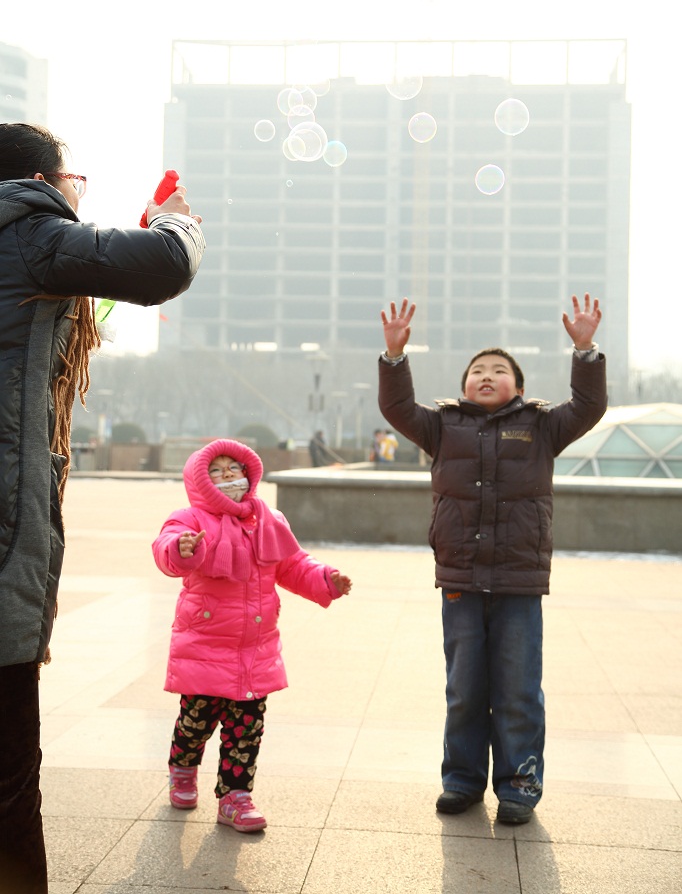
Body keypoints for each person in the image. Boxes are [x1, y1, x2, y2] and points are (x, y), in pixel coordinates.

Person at [0, 122, 205, 894]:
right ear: (42, 180)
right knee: (11, 782)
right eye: (73, 178)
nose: (76, 193)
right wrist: (176, 219)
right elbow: (164, 267)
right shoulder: (33, 231)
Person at [378, 294, 607, 826]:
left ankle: (519, 786)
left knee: (519, 690)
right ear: (463, 386)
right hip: (459, 579)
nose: (486, 376)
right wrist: (394, 358)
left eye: (498, 371)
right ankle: (461, 781)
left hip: (519, 583)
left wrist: (586, 350)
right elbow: (397, 409)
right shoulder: (441, 426)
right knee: (464, 690)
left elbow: (590, 408)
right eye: (477, 370)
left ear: (519, 387)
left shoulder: (543, 427)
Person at [152, 438, 352, 832]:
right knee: (195, 724)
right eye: (216, 471)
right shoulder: (190, 518)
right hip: (206, 645)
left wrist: (325, 579)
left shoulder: (268, 520)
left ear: (249, 474)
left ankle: (234, 797)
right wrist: (182, 548)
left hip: (255, 648)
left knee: (246, 731)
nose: (228, 476)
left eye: (234, 469)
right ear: (200, 481)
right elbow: (165, 549)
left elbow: (293, 564)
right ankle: (183, 768)